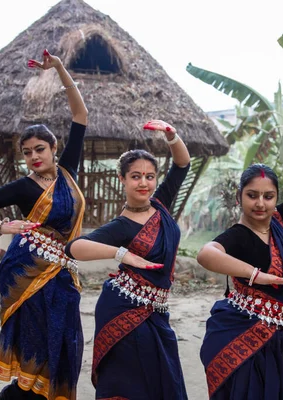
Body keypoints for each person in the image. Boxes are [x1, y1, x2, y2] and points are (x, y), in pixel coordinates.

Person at [0, 49, 87, 400]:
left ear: (54, 148)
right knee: (38, 339)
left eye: (40, 148)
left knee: (65, 339)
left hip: (62, 272)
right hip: (26, 270)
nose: (34, 156)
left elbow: (80, 113)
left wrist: (59, 67)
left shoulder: (68, 173)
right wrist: (1, 227)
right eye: (27, 152)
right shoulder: (23, 186)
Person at [66, 120, 190, 399]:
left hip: (157, 311)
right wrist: (121, 253)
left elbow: (182, 164)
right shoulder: (120, 226)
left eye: (149, 176)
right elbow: (74, 248)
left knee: (163, 377)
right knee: (130, 383)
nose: (143, 183)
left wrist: (171, 135)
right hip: (123, 309)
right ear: (122, 179)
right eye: (135, 176)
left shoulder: (160, 205)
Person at [197, 151, 283, 400]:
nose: (260, 203)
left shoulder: (277, 221)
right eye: (252, 195)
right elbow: (206, 254)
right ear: (239, 198)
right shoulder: (237, 236)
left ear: (276, 198)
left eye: (268, 197)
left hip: (273, 334)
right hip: (240, 332)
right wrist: (256, 275)